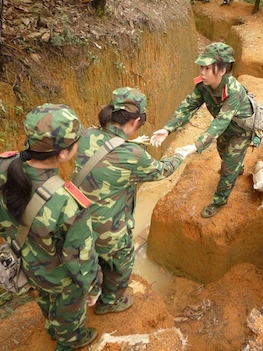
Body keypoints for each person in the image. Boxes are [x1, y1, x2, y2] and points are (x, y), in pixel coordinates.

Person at [0, 104, 100, 351]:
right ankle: (70, 341)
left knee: (45, 298)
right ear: (62, 155)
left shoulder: (0, 169)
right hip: (58, 276)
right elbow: (79, 259)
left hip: (26, 264)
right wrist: (93, 286)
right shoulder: (67, 202)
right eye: (75, 143)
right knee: (67, 305)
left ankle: (51, 325)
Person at [73, 87, 194, 315]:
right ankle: (109, 303)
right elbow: (162, 170)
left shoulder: (86, 135)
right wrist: (181, 154)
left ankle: (89, 283)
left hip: (76, 222)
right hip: (109, 231)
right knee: (121, 262)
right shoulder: (133, 155)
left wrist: (133, 143)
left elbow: (107, 154)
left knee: (89, 255)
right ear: (136, 121)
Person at [150, 42, 256, 218]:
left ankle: (219, 201)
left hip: (240, 132)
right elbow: (188, 106)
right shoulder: (203, 85)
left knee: (228, 167)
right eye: (201, 67)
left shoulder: (234, 91)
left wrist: (195, 146)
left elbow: (220, 123)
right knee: (223, 153)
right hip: (225, 129)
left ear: (222, 71)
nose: (202, 72)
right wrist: (168, 129)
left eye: (207, 68)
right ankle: (237, 165)